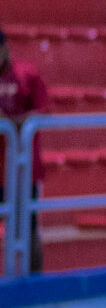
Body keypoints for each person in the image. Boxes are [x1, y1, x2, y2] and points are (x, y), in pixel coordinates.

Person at [0, 26, 51, 272]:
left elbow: (43, 112)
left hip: (22, 168)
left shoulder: (26, 74)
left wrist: (15, 122)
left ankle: (35, 282)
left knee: (27, 226)